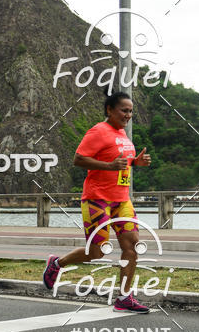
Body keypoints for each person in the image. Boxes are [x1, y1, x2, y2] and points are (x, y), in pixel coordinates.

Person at [42, 91, 151, 312]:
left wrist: (135, 163)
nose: (128, 115)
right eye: (124, 110)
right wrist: (110, 167)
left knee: (131, 246)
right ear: (110, 110)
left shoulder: (123, 134)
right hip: (97, 200)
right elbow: (79, 159)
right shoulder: (98, 131)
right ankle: (57, 263)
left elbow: (121, 162)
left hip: (122, 200)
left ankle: (124, 297)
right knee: (97, 252)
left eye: (130, 111)